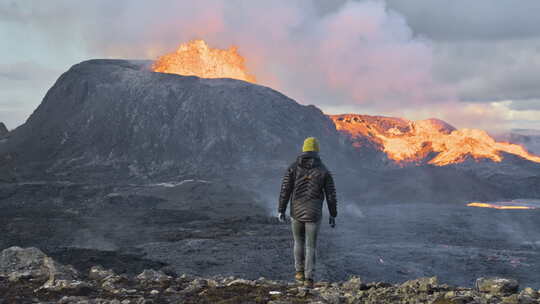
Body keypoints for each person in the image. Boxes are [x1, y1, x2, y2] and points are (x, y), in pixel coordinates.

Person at [277, 137, 338, 288]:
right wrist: (333, 214)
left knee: (298, 242)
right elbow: (331, 195)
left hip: (296, 212)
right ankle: (309, 279)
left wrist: (281, 210)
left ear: (304, 149)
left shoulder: (293, 167)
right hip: (314, 213)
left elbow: (285, 190)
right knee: (311, 246)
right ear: (317, 150)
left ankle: (299, 273)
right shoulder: (324, 170)